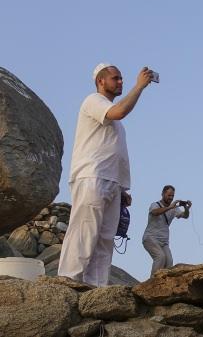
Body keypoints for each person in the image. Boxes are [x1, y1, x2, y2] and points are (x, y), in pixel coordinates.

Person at [58, 63, 154, 286]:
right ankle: (67, 281)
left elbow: (114, 152)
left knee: (105, 238)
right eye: (116, 78)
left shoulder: (116, 123)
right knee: (84, 230)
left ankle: (96, 287)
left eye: (121, 78)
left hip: (112, 182)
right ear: (101, 81)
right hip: (92, 176)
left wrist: (122, 188)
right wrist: (139, 86)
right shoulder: (93, 100)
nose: (120, 82)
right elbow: (119, 111)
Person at [142, 185, 192, 276]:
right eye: (169, 195)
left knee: (169, 261)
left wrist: (186, 209)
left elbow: (185, 216)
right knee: (160, 257)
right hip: (150, 238)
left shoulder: (174, 208)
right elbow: (155, 212)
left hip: (164, 241)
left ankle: (164, 284)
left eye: (172, 196)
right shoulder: (155, 205)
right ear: (163, 194)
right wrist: (170, 207)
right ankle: (152, 283)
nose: (171, 198)